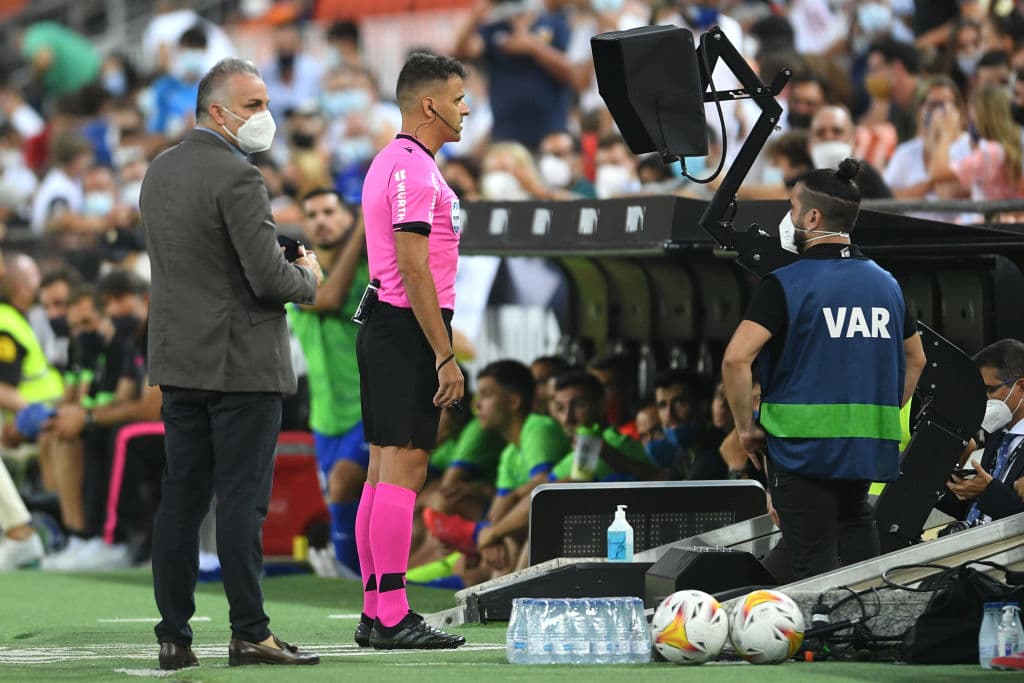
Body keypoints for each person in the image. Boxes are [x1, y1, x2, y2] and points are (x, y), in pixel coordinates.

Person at [140, 57, 322, 670]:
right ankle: (250, 631)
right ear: (218, 111)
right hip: (240, 364)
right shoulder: (239, 177)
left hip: (179, 360)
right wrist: (308, 276)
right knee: (242, 503)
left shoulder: (158, 171)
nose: (264, 116)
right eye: (253, 105)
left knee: (181, 502)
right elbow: (268, 278)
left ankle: (174, 637)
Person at [722, 158, 927, 581]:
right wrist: (883, 409)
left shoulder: (786, 284)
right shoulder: (887, 284)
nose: (789, 219)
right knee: (857, 539)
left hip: (801, 452)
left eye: (793, 209)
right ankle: (871, 632)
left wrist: (746, 428)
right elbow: (917, 359)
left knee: (812, 565)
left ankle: (825, 637)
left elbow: (736, 358)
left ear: (812, 217)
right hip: (864, 449)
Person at [354, 51, 469, 650]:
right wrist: (444, 353)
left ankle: (376, 610)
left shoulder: (389, 161)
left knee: (381, 470)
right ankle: (394, 615)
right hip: (406, 327)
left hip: (386, 323)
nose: (465, 108)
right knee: (405, 468)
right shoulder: (416, 170)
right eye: (456, 98)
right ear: (429, 105)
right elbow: (413, 264)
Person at [287, 188, 369, 578]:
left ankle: (351, 573)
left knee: (342, 484)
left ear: (345, 216)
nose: (322, 219)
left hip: (368, 405)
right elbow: (331, 297)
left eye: (330, 211)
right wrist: (361, 229)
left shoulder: (374, 272)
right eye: (313, 213)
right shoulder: (297, 275)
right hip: (325, 416)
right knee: (344, 498)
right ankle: (360, 570)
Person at [937, 339, 1024, 525]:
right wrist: (936, 483)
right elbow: (975, 511)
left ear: (1021, 387)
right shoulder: (997, 435)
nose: (983, 398)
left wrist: (988, 490)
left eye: (989, 389)